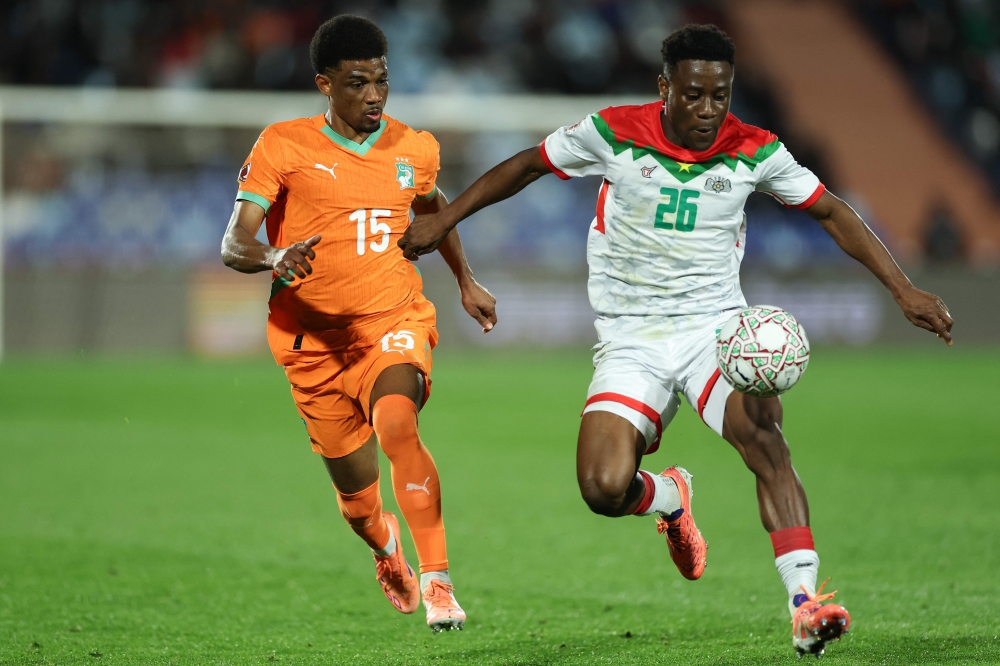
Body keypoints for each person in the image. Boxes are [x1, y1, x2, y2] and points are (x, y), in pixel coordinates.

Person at [398, 24, 953, 656]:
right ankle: (670, 496)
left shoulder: (756, 149)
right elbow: (527, 166)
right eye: (693, 95)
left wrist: (902, 288)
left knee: (765, 438)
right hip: (631, 336)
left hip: (714, 329)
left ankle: (805, 602)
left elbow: (829, 210)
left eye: (720, 96)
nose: (708, 111)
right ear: (665, 87)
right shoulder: (612, 132)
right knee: (602, 489)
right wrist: (445, 219)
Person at [221, 15, 497, 633]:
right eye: (357, 83)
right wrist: (271, 255)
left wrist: (464, 279)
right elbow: (233, 244)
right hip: (311, 344)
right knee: (359, 501)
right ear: (325, 84)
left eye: (382, 81)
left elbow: (432, 213)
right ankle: (385, 549)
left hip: (391, 320)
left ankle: (440, 583)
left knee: (398, 422)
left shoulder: (414, 148)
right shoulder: (283, 145)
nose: (374, 95)